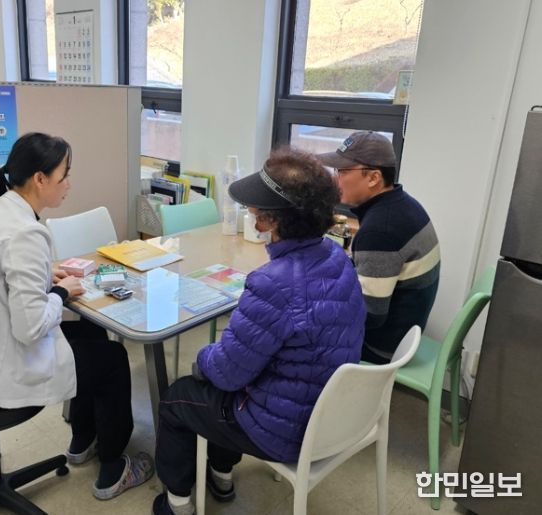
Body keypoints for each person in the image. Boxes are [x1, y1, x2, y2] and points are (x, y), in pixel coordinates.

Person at [0, 132, 153, 500]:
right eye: (64, 176)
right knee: (112, 359)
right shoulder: (25, 233)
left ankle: (83, 439)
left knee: (91, 335)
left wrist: (44, 276)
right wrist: (60, 292)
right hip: (0, 364)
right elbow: (29, 328)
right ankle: (113, 469)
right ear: (40, 179)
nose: (69, 184)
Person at [152, 147, 366, 515]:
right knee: (229, 383)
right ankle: (221, 476)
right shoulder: (337, 257)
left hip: (285, 429)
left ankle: (178, 504)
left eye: (255, 210)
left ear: (267, 221)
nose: (251, 213)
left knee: (178, 397)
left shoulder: (273, 282)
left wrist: (202, 358)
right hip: (331, 414)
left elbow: (227, 372)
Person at [318, 130, 440, 364]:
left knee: (296, 329)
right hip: (405, 330)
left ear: (374, 178)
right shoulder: (404, 204)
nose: (336, 179)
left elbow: (370, 315)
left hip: (382, 347)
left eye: (343, 171)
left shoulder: (380, 230)